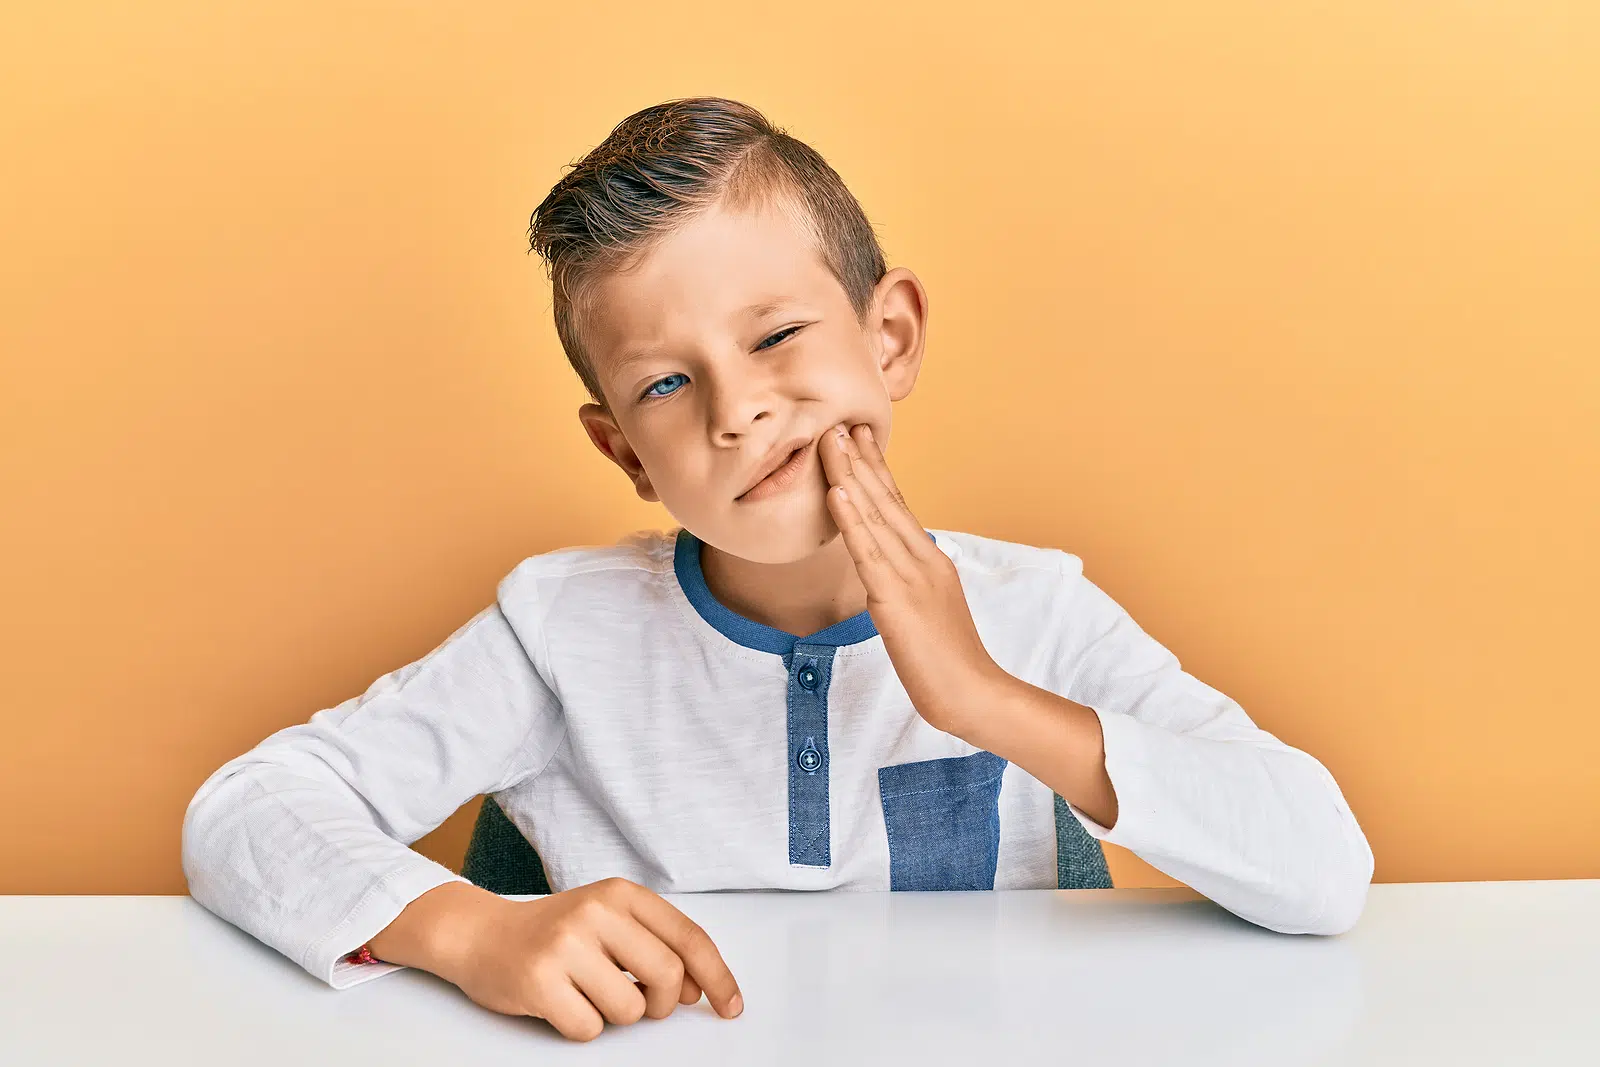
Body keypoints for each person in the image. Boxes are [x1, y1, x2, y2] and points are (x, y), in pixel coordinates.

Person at [182, 96, 1374, 1042]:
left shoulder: (1036, 609)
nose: (741, 410)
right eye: (665, 383)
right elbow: (244, 810)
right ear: (626, 453)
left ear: (889, 336)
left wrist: (983, 698)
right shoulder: (559, 632)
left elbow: (1322, 869)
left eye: (774, 336)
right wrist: (468, 931)